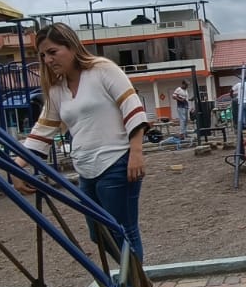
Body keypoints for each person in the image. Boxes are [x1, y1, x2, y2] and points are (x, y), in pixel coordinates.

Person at [15, 23, 149, 262]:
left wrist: (136, 153)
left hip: (116, 161)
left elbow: (132, 106)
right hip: (86, 168)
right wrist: (17, 166)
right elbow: (43, 129)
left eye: (53, 52)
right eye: (43, 55)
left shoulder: (102, 70)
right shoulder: (57, 90)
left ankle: (134, 282)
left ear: (72, 47)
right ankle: (134, 280)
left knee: (123, 230)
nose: (47, 60)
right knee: (99, 234)